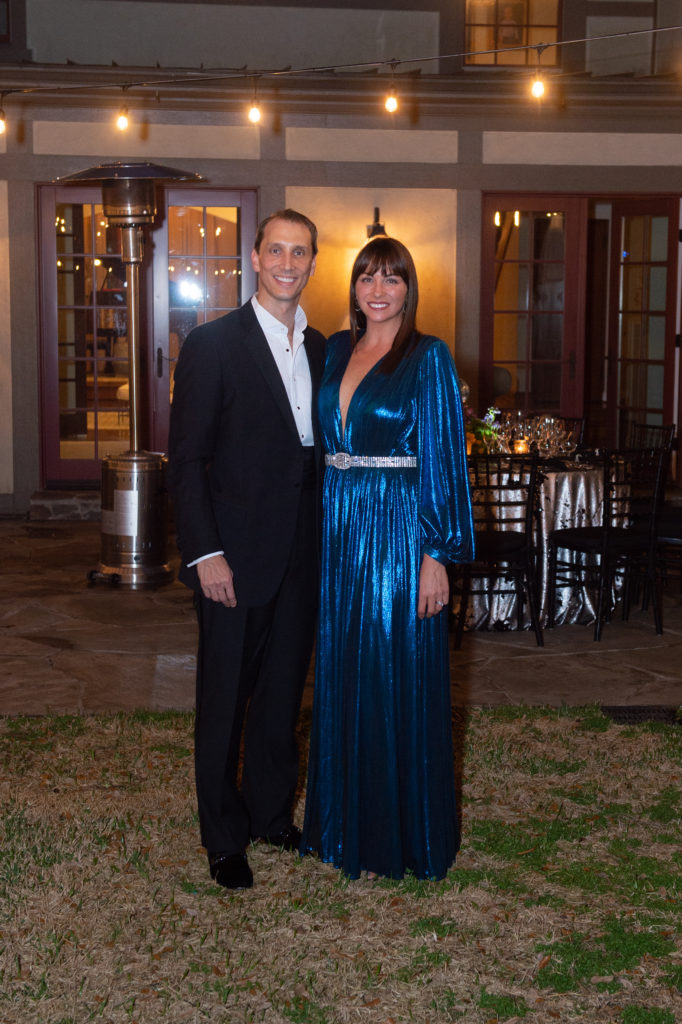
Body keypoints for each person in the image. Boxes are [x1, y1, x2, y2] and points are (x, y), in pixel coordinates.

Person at [300, 236, 474, 881]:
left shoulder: (427, 357)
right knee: (344, 669)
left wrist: (438, 553)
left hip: (400, 530)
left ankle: (402, 835)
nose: (378, 289)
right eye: (367, 277)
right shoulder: (336, 350)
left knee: (394, 669)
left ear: (409, 289)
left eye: (392, 279)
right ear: (353, 287)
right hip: (340, 528)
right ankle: (341, 827)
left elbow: (444, 461)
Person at [168, 209, 326, 890]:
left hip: (301, 556)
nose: (289, 262)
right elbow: (187, 460)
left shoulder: (321, 347)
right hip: (233, 558)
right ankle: (223, 837)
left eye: (301, 252)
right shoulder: (213, 344)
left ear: (312, 262)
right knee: (225, 700)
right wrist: (206, 555)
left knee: (283, 696)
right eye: (277, 250)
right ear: (255, 258)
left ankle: (269, 814)